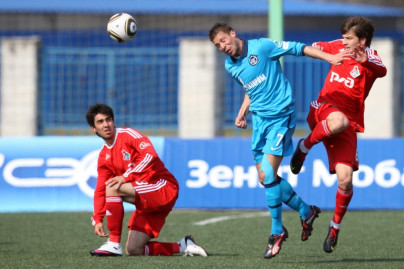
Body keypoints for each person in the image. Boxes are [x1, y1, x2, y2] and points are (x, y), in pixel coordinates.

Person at [209, 23, 349, 259]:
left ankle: (277, 231)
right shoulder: (229, 65)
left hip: (281, 117)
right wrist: (243, 111)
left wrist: (329, 57)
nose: (222, 46)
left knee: (267, 175)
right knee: (265, 179)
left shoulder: (262, 46)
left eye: (223, 40)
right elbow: (250, 88)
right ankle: (306, 211)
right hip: (260, 121)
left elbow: (299, 48)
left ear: (233, 33)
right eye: (217, 45)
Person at [289, 17, 387, 253]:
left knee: (345, 179)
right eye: (343, 37)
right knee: (338, 120)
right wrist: (327, 55)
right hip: (324, 108)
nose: (344, 41)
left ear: (362, 41)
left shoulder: (371, 57)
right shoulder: (338, 46)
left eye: (349, 38)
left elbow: (382, 71)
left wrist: (366, 63)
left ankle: (334, 228)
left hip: (347, 125)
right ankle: (304, 147)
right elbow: (312, 48)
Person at [86, 104, 208, 257]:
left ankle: (113, 243)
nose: (106, 125)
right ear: (93, 128)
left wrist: (125, 177)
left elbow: (150, 155)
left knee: (113, 187)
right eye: (100, 122)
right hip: (145, 199)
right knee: (134, 249)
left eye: (108, 120)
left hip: (162, 186)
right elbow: (99, 190)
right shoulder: (104, 157)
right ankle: (183, 245)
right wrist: (97, 218)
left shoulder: (128, 135)